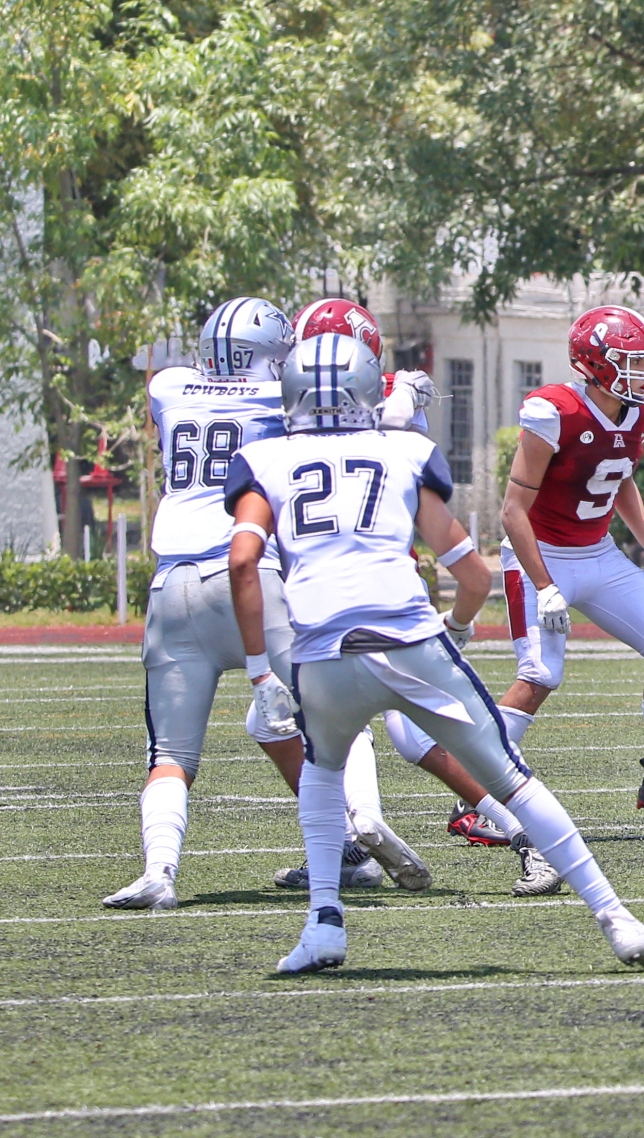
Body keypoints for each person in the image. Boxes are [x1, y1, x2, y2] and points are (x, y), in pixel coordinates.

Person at [225, 331, 644, 972]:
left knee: (324, 778)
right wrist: (458, 627)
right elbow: (471, 574)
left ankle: (323, 924)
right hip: (411, 641)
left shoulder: (263, 459)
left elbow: (243, 562)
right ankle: (617, 919)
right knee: (513, 781)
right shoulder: (406, 452)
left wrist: (258, 672)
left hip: (322, 653)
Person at [102, 298, 428, 912]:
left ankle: (159, 872)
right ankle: (363, 818)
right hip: (254, 578)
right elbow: (371, 419)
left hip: (172, 587)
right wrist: (405, 390)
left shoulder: (169, 387)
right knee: (330, 702)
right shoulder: (279, 398)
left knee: (170, 755)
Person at [293, 299, 559, 894]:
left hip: (366, 593)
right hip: (354, 590)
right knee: (362, 729)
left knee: (376, 728)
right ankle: (346, 844)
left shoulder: (382, 403)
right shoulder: (375, 399)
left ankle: (527, 837)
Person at [499, 305, 644, 827]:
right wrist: (544, 584)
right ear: (596, 363)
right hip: (541, 553)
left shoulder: (638, 413)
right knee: (540, 674)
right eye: (633, 361)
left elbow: (617, 476)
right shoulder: (554, 411)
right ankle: (475, 796)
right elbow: (512, 511)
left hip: (597, 553)